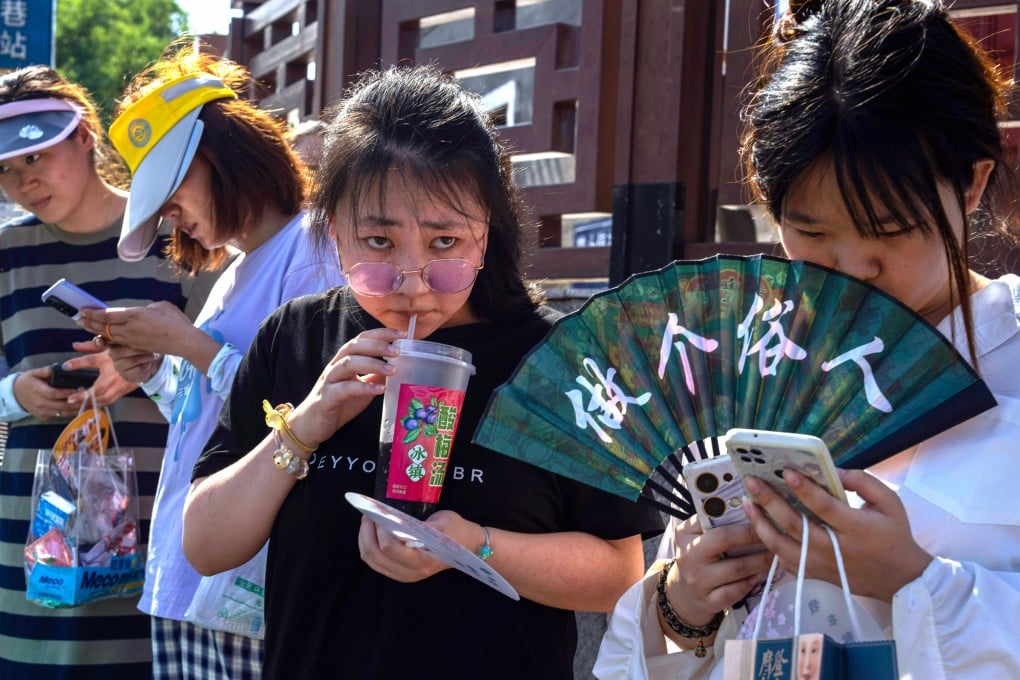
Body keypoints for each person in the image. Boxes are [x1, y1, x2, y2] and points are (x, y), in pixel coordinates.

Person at [180, 64, 663, 679]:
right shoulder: (295, 338)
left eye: (444, 245)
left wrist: (476, 546)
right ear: (334, 234)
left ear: (484, 236)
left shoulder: (560, 361)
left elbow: (618, 576)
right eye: (378, 243)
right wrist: (305, 426)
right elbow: (205, 545)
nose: (412, 282)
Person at [594, 1, 1020, 678]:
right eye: (812, 232)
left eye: (888, 228)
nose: (851, 268)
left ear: (971, 183)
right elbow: (647, 652)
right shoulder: (756, 359)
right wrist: (682, 603)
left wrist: (914, 580)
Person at [69, 46, 343, 679]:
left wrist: (188, 344)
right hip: (197, 583)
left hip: (249, 589)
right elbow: (216, 420)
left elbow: (307, 415)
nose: (172, 216)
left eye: (172, 192)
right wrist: (160, 371)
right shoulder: (237, 273)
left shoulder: (312, 249)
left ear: (222, 154)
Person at [0, 65, 213, 678]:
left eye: (37, 156)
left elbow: (237, 377)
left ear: (85, 136)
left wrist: (151, 366)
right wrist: (17, 393)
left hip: (160, 531)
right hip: (37, 537)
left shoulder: (180, 239)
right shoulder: (8, 254)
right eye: (7, 169)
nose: (24, 180)